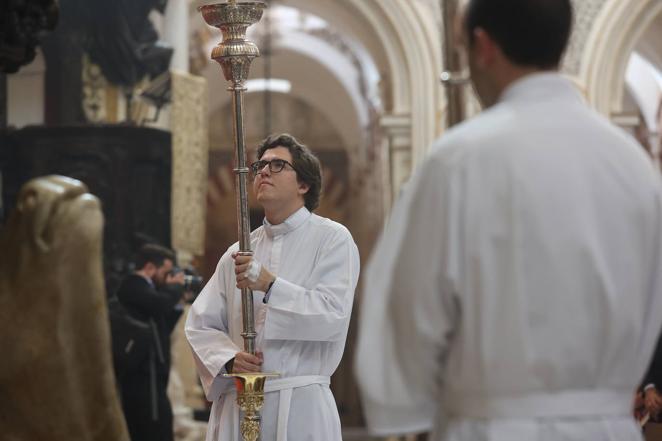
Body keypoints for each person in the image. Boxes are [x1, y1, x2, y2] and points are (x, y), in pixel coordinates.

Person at [355, 1, 662, 440]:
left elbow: (409, 311)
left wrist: (406, 410)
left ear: (482, 46)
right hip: (610, 426)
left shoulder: (458, 160)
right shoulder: (632, 164)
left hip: (491, 427)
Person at [185, 134, 360, 441]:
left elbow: (332, 316)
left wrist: (270, 285)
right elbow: (201, 323)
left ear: (304, 185)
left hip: (301, 406)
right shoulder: (237, 252)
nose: (263, 171)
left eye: (277, 165)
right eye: (260, 165)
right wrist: (228, 358)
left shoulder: (333, 239)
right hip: (240, 404)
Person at [116, 243, 188, 441]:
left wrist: (179, 300)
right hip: (141, 375)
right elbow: (159, 304)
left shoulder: (151, 293)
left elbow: (163, 324)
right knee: (153, 428)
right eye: (165, 272)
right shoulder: (132, 285)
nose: (167, 278)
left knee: (160, 426)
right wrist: (174, 289)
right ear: (149, 268)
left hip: (154, 374)